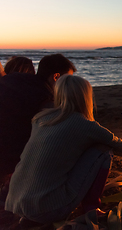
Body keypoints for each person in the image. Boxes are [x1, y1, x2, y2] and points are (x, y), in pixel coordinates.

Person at [5, 75, 122, 223]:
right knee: (103, 151)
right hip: (48, 209)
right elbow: (120, 146)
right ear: (86, 97)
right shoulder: (84, 124)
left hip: (17, 204)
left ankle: (32, 214)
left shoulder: (41, 119)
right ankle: (92, 208)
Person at [0, 54, 76, 187]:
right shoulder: (45, 100)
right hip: (13, 163)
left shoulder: (12, 79)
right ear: (56, 77)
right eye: (67, 80)